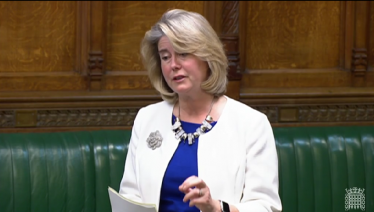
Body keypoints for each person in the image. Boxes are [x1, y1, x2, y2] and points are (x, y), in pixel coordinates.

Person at [118, 8, 282, 212]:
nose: (174, 65)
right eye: (165, 57)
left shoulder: (251, 124)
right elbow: (129, 197)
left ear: (207, 57)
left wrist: (216, 208)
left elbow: (266, 207)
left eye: (183, 53)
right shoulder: (147, 118)